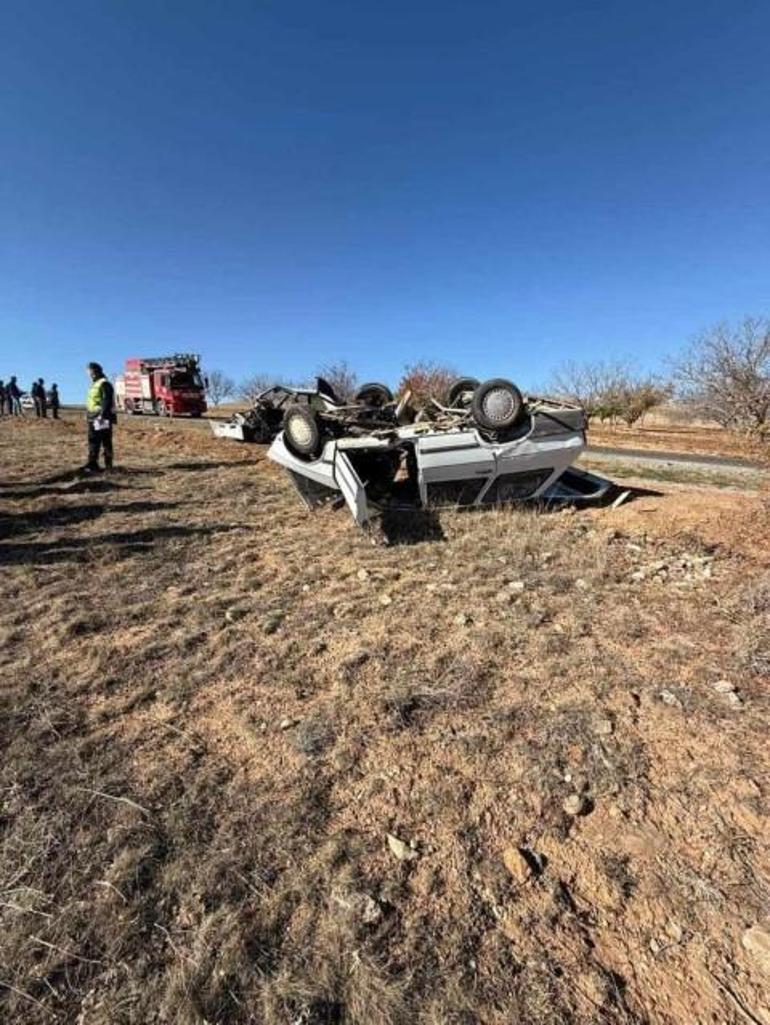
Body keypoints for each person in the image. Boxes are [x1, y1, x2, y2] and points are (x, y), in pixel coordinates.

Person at [84, 362, 116, 472]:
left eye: (89, 371)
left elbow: (106, 401)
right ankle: (92, 464)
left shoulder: (104, 383)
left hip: (101, 417)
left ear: (94, 371)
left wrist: (102, 416)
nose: (88, 374)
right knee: (93, 441)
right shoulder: (95, 383)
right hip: (92, 416)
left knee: (104, 441)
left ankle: (108, 464)